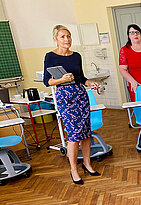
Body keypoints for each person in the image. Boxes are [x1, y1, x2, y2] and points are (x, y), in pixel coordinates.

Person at [43, 25, 101, 185]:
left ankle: (87, 164)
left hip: (81, 96)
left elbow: (81, 78)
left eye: (68, 36)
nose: (67, 39)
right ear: (55, 39)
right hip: (65, 98)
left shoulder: (76, 56)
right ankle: (73, 170)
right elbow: (47, 81)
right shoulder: (50, 56)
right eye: (62, 36)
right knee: (74, 136)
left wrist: (91, 83)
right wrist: (62, 80)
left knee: (86, 133)